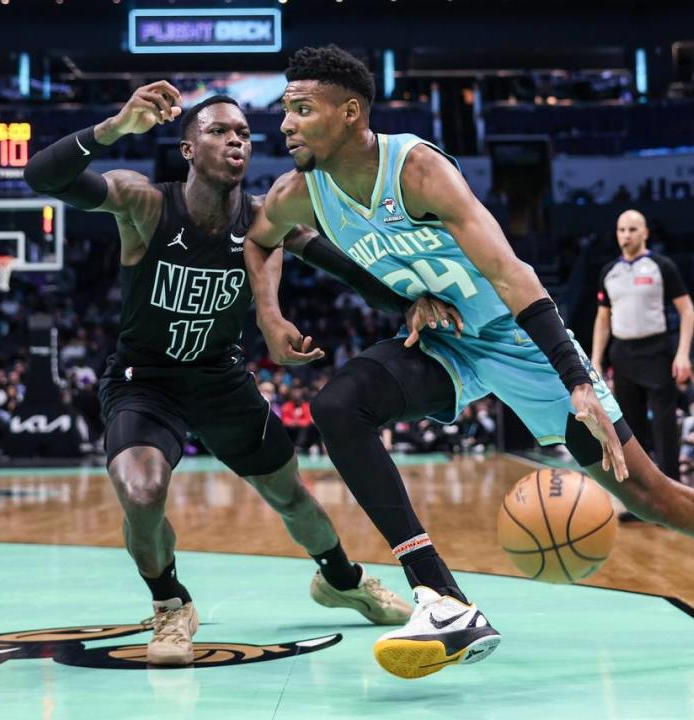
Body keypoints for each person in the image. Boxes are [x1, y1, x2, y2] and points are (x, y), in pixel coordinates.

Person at [247, 45, 694, 679]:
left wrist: (575, 379)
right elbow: (264, 241)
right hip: (449, 342)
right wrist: (274, 316)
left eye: (302, 109)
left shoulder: (416, 169)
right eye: (285, 109)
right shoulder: (298, 192)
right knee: (339, 405)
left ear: (350, 112)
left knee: (645, 493)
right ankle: (442, 596)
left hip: (518, 339)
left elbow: (511, 272)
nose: (285, 123)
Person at [24, 82, 428, 666]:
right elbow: (44, 178)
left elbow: (348, 270)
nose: (235, 140)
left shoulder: (267, 218)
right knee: (141, 490)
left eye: (242, 132)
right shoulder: (145, 203)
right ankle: (170, 604)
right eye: (218, 130)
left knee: (290, 496)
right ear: (188, 148)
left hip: (222, 380)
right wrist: (112, 128)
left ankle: (342, 581)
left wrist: (407, 306)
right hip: (146, 381)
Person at [590, 209, 694, 480]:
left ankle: (672, 492)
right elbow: (603, 320)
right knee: (630, 428)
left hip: (656, 351)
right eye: (622, 230)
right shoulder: (609, 272)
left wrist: (683, 354)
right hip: (622, 353)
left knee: (664, 425)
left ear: (645, 232)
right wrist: (596, 360)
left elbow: (688, 311)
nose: (626, 235)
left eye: (632, 229)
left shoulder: (662, 266)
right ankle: (640, 495)